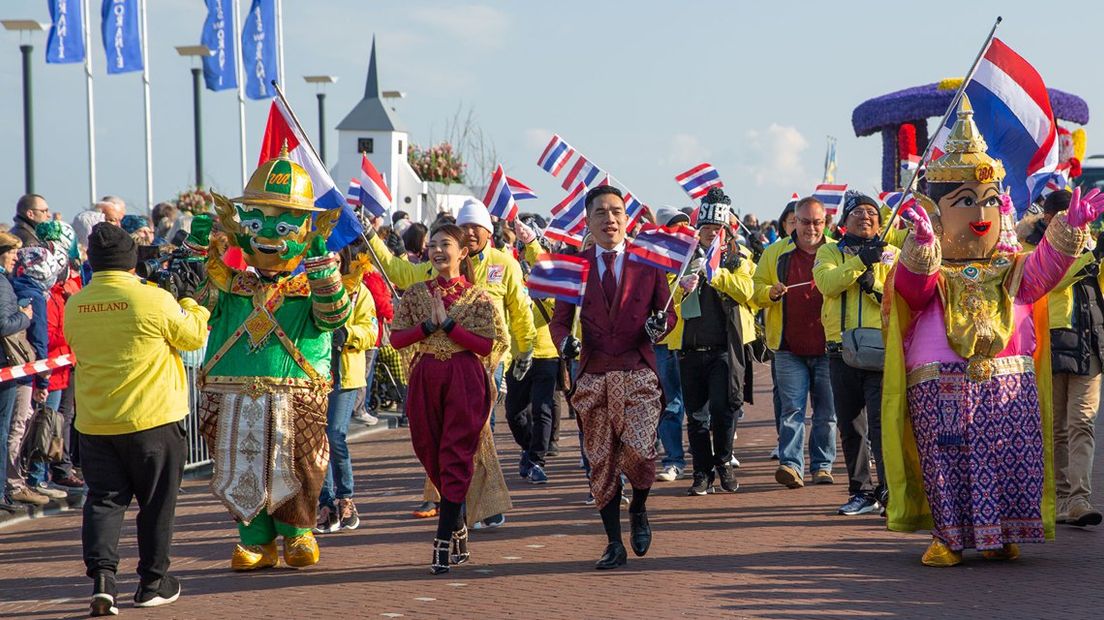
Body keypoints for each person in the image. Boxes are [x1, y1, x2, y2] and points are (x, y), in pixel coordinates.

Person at [882, 96, 1104, 566]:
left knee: (1010, 456)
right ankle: (949, 535)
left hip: (1009, 376)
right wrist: (921, 246)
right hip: (940, 376)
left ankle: (1003, 531)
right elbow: (911, 293)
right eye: (964, 201)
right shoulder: (933, 263)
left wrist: (1068, 231)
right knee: (948, 457)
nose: (979, 214)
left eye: (986, 201)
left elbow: (1042, 274)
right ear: (936, 210)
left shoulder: (1009, 264)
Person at [191, 147, 351, 571]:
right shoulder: (230, 285)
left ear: (307, 228)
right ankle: (255, 539)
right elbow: (189, 302)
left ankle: (298, 532)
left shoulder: (311, 284)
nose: (267, 235)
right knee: (238, 465)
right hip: (230, 392)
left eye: (283, 224)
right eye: (256, 221)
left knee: (297, 465)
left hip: (296, 394)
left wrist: (319, 263)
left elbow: (335, 315)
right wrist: (196, 248)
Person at [65, 222, 209, 615]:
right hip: (153, 419)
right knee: (157, 503)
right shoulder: (153, 299)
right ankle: (153, 581)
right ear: (131, 260)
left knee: (103, 503)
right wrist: (192, 301)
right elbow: (194, 336)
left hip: (96, 423)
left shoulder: (75, 305)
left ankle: (103, 580)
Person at [363, 198, 531, 529]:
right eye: (463, 228)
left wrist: (525, 350)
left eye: (474, 228)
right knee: (435, 442)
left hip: (483, 366)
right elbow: (396, 272)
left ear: (486, 232)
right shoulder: (426, 276)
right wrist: (371, 236)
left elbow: (518, 310)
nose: (469, 233)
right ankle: (451, 501)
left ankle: (477, 506)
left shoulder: (504, 264)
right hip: (431, 371)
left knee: (478, 436)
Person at [550, 185, 675, 570]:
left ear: (627, 218)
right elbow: (559, 323)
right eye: (601, 212)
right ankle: (613, 542)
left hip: (638, 370)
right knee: (601, 461)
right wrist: (566, 344)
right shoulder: (574, 267)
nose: (610, 219)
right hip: (594, 373)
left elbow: (667, 315)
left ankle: (638, 507)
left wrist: (660, 325)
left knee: (639, 452)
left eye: (617, 211)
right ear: (588, 221)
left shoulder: (648, 263)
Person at [391, 223, 508, 574]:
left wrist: (451, 328)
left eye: (446, 245)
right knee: (428, 450)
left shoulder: (478, 297)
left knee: (456, 454)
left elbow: (489, 345)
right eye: (433, 245)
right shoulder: (415, 293)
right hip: (426, 376)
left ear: (463, 252)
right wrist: (428, 326)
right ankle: (456, 520)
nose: (438, 251)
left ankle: (442, 542)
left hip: (464, 379)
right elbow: (397, 340)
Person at [1018, 190, 1104, 528]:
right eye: (1065, 215)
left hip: (1089, 343)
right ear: (1049, 217)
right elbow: (1042, 282)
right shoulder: (1029, 247)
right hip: (1047, 343)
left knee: (1082, 422)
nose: (1072, 221)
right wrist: (1081, 260)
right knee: (1054, 427)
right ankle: (1058, 498)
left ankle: (1080, 499)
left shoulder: (1091, 246)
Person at [812, 191, 898, 516]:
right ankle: (861, 492)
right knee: (850, 426)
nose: (865, 217)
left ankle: (889, 491)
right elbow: (827, 284)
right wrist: (861, 262)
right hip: (840, 351)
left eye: (871, 213)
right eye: (858, 213)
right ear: (845, 220)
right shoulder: (829, 251)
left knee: (881, 425)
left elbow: (901, 296)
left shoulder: (892, 254)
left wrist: (874, 286)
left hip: (880, 351)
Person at [675, 188, 755, 495]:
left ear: (726, 229)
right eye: (706, 228)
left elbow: (747, 291)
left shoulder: (738, 257)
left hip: (725, 347)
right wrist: (681, 284)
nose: (711, 233)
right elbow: (665, 294)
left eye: (717, 228)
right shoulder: (684, 255)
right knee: (695, 415)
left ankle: (723, 462)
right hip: (690, 347)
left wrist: (716, 274)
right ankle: (701, 471)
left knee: (723, 410)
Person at [753, 196, 837, 489]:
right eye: (804, 221)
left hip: (828, 347)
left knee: (826, 414)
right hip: (788, 347)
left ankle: (823, 466)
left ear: (825, 223)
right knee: (792, 410)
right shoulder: (776, 252)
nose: (810, 228)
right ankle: (791, 465)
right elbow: (755, 288)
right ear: (794, 222)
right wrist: (770, 293)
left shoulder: (836, 251)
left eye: (816, 222)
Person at [315, 248, 379, 534]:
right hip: (315, 375)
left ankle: (346, 497)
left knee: (334, 435)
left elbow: (372, 330)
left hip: (345, 375)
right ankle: (325, 502)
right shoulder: (307, 289)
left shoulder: (358, 292)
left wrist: (348, 334)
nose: (331, 265)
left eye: (336, 261)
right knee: (317, 440)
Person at [506, 218, 563, 484]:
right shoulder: (511, 278)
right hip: (518, 353)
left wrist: (531, 242)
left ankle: (537, 461)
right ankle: (529, 449)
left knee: (542, 409)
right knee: (515, 413)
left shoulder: (548, 277)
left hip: (546, 351)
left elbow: (550, 277)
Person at [652, 207, 690, 483]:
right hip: (665, 341)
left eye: (684, 225)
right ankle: (674, 459)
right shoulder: (653, 261)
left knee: (704, 405)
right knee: (671, 404)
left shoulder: (696, 256)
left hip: (696, 341)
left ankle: (712, 457)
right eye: (673, 226)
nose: (680, 231)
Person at [0, 232, 32, 512]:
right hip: (3, 366)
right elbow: (3, 324)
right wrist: (25, 316)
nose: (14, 258)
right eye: (11, 252)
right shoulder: (1, 283)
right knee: (3, 430)